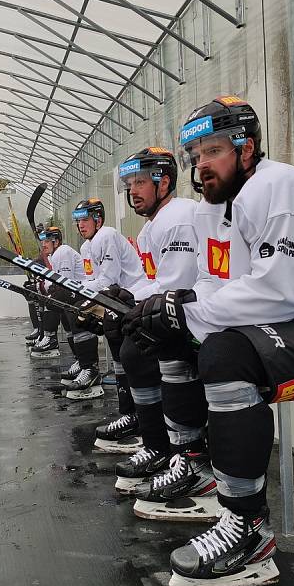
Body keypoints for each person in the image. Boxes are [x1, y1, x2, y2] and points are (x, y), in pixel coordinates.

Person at [122, 95, 294, 586]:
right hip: (292, 327)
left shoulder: (281, 185)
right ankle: (191, 464)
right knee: (173, 338)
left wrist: (192, 314)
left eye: (213, 151)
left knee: (225, 352)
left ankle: (246, 528)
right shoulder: (220, 207)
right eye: (194, 156)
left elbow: (279, 291)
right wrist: (178, 307)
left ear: (246, 147)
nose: (201, 165)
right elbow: (218, 284)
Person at [94, 149, 199, 504]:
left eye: (140, 182)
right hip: (186, 306)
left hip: (202, 314)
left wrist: (132, 301)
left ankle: (173, 450)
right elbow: (156, 282)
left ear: (164, 182)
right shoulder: (154, 226)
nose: (132, 191)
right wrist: (126, 296)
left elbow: (178, 285)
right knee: (125, 336)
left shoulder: (178, 218)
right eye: (129, 184)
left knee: (137, 348)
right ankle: (156, 443)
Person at [67, 197, 148, 399]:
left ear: (98, 219)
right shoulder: (87, 247)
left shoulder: (107, 235)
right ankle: (87, 366)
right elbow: (92, 279)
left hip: (134, 293)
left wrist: (74, 286)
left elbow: (108, 280)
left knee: (83, 309)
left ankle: (91, 370)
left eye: (85, 219)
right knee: (79, 309)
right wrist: (75, 288)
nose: (80, 225)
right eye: (78, 221)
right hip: (116, 295)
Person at [30, 227, 85, 360]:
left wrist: (45, 287)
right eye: (43, 241)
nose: (43, 244)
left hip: (83, 293)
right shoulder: (55, 255)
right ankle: (79, 359)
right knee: (60, 308)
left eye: (47, 241)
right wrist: (39, 285)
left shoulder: (63, 251)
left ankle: (50, 338)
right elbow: (55, 281)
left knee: (55, 299)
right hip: (75, 292)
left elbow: (64, 283)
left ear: (56, 242)